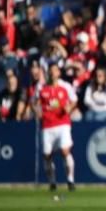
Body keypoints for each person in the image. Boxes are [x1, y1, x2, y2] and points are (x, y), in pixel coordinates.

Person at [35, 63, 77, 191]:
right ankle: (52, 182)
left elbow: (74, 100)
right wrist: (37, 111)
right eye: (51, 70)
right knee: (47, 155)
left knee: (65, 151)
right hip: (48, 125)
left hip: (62, 123)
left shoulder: (65, 87)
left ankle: (70, 180)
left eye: (55, 70)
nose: (53, 73)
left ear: (59, 73)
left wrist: (69, 108)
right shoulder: (42, 88)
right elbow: (35, 102)